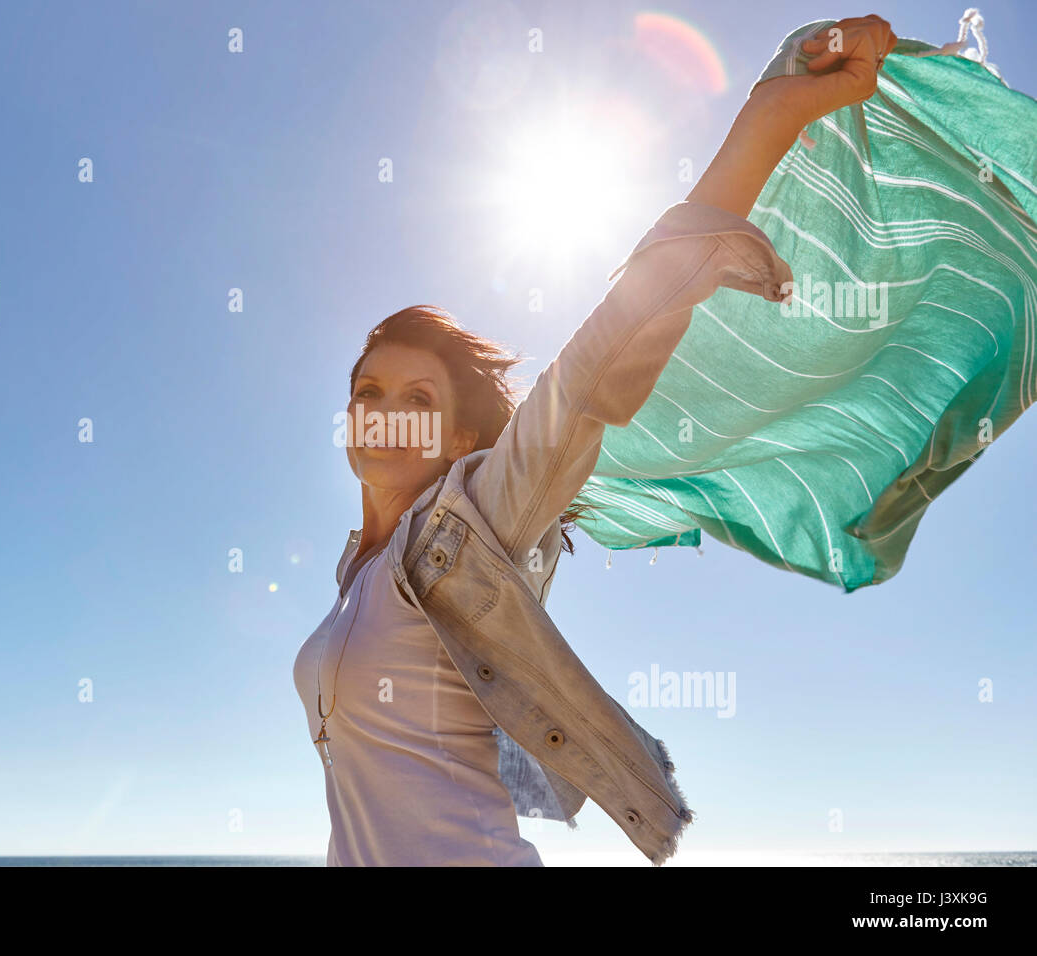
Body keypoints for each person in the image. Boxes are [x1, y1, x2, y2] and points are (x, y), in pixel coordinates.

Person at [293, 16, 899, 866]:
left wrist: (772, 119)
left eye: (417, 397)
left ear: (463, 433)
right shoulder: (357, 570)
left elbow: (596, 365)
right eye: (368, 391)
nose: (385, 409)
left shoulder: (479, 522)